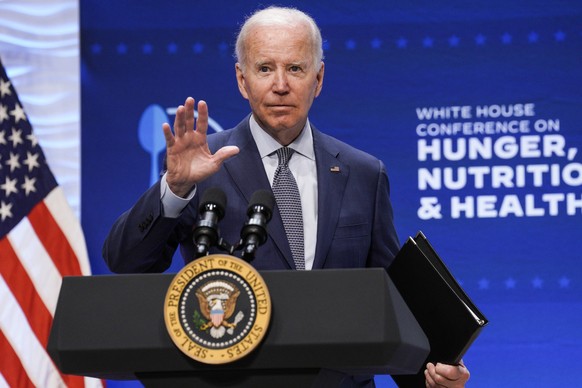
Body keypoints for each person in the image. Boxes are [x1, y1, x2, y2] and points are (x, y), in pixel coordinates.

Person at [102, 6, 470, 387]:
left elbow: (393, 305)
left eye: (295, 68)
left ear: (319, 78)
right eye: (265, 69)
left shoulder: (363, 173)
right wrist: (175, 188)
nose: (281, 85)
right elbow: (125, 261)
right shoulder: (203, 165)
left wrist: (432, 378)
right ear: (242, 80)